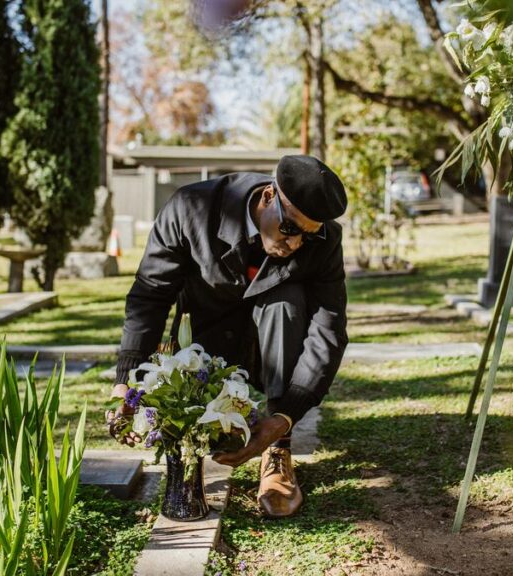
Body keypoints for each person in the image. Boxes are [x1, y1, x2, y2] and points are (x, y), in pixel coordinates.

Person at [108, 155, 349, 517]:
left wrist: (284, 418)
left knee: (286, 302)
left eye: (307, 234)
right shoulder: (190, 209)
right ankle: (194, 442)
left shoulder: (324, 241)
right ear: (269, 196)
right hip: (207, 341)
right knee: (208, 439)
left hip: (277, 346)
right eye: (289, 228)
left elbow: (327, 330)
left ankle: (278, 454)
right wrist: (125, 382)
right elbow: (150, 296)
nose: (296, 243)